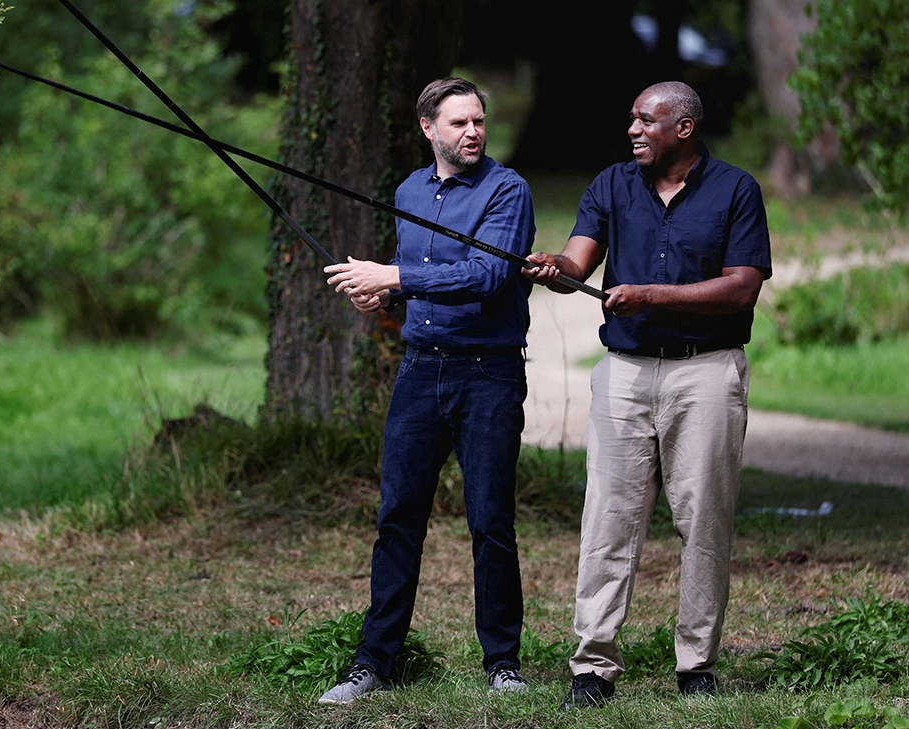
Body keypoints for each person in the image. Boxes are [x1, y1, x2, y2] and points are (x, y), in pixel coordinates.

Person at [523, 81, 771, 708]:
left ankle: (697, 666)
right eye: (631, 119)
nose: (633, 130)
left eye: (646, 120)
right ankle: (592, 665)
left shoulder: (736, 190)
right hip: (624, 372)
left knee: (704, 520)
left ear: (682, 129)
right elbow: (578, 262)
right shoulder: (610, 185)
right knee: (608, 517)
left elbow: (742, 287)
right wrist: (553, 266)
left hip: (706, 372)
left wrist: (648, 293)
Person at [318, 77, 535, 704]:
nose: (473, 132)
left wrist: (396, 275)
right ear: (428, 129)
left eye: (479, 121)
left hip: (488, 375)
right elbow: (417, 269)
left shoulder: (507, 190)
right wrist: (383, 292)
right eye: (459, 123)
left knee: (490, 520)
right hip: (420, 372)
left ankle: (503, 664)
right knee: (397, 518)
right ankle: (374, 663)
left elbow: (489, 274)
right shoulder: (410, 190)